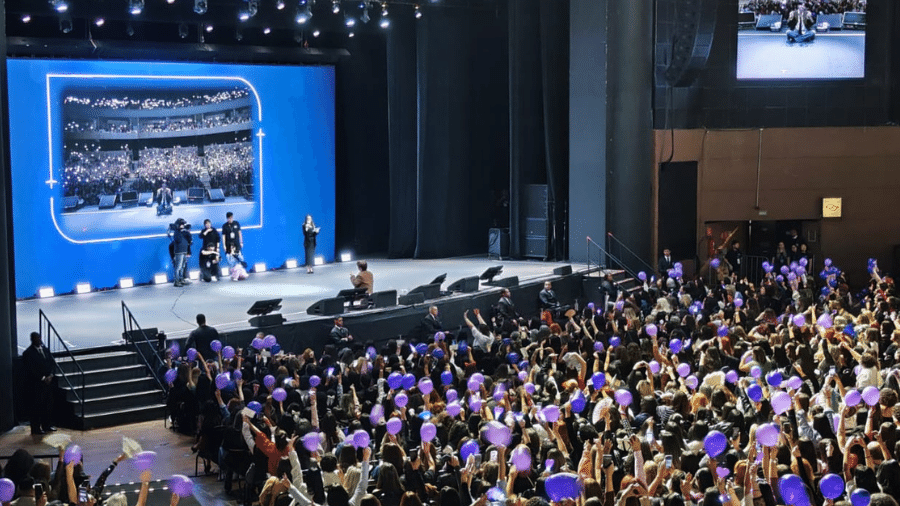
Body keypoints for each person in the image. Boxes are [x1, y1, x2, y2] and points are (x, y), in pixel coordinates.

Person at [21, 332, 56, 435]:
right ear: (32, 340)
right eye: (36, 338)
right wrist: (42, 378)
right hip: (36, 385)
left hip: (48, 383)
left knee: (47, 405)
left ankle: (47, 425)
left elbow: (51, 363)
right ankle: (36, 428)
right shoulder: (28, 353)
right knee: (36, 407)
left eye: (39, 338)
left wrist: (50, 375)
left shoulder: (45, 350)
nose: (38, 340)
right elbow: (29, 370)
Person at [168, 218, 192, 287]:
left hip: (184, 251)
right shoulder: (176, 233)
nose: (183, 226)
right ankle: (176, 281)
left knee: (182, 267)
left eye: (183, 224)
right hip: (179, 252)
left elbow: (189, 240)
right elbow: (178, 240)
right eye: (181, 224)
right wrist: (181, 231)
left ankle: (181, 279)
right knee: (178, 267)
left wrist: (187, 232)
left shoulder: (184, 232)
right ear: (178, 225)